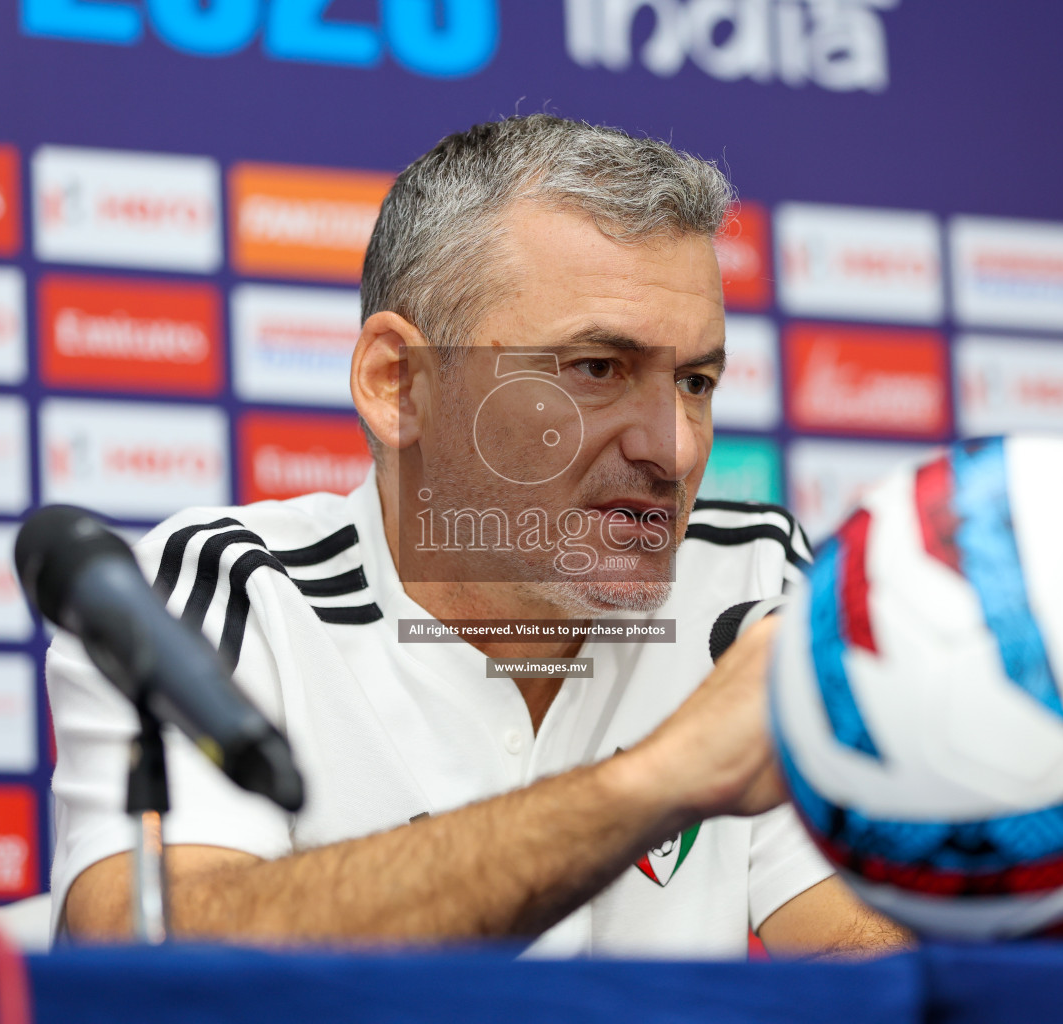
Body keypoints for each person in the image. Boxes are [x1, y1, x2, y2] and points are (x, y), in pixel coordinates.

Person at [48, 114, 908, 958]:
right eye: (596, 369)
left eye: (694, 380)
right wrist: (657, 780)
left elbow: (867, 959)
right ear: (400, 385)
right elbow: (149, 957)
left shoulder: (749, 577)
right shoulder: (228, 591)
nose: (674, 447)